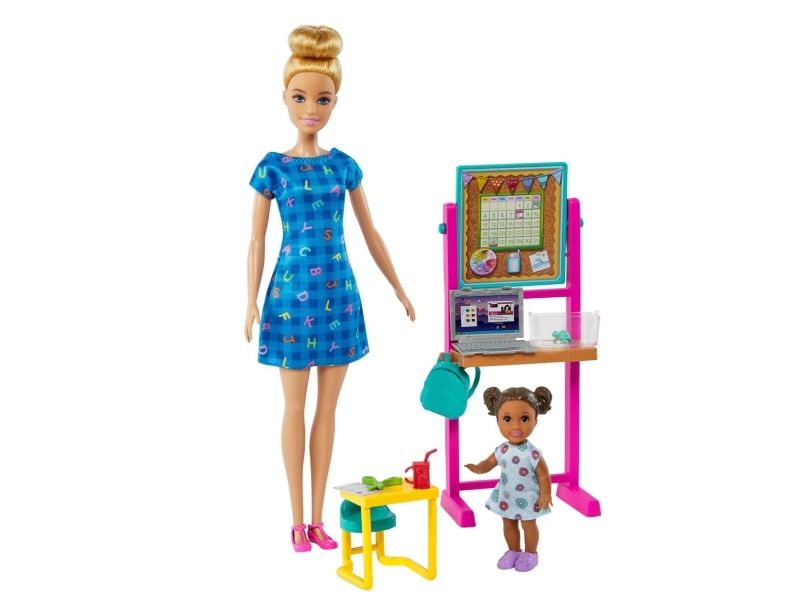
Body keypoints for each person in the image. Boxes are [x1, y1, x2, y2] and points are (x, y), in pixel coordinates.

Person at [244, 25, 415, 553]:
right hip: (289, 301)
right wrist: (248, 300)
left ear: (336, 101)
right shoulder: (272, 167)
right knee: (294, 408)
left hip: (340, 298)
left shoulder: (344, 165)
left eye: (322, 99)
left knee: (328, 410)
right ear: (285, 98)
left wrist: (398, 288)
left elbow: (370, 232)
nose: (311, 109)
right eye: (300, 98)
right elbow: (256, 240)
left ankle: (318, 519)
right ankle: (296, 520)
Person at [465, 386, 553, 572]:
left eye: (524, 419)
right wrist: (479, 468)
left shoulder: (532, 453)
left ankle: (531, 553)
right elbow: (489, 462)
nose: (515, 426)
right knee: (508, 522)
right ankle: (513, 550)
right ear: (497, 420)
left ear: (535, 420)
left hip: (528, 497)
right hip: (507, 496)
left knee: (528, 524)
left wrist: (545, 494)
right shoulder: (502, 449)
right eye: (507, 419)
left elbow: (544, 475)